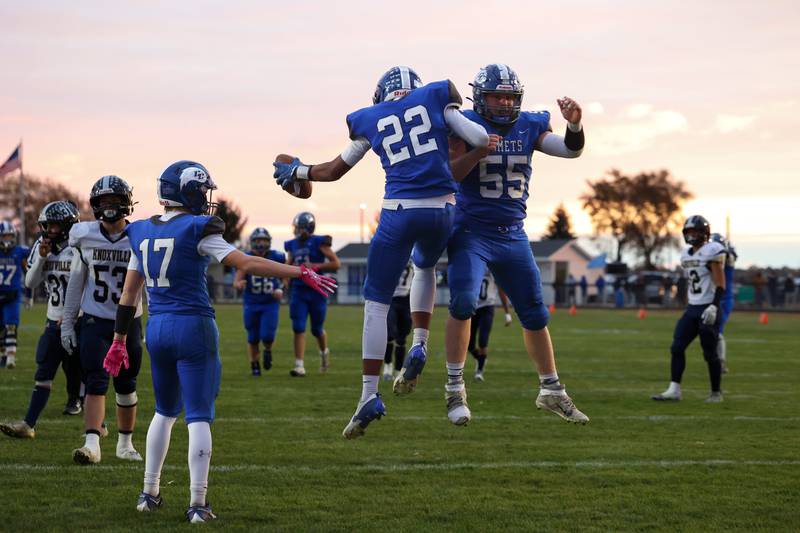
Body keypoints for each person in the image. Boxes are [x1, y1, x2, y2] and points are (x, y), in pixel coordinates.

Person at [108, 160, 335, 522]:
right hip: (193, 326)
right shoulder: (198, 227)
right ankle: (198, 504)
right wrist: (300, 271)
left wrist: (119, 338)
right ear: (190, 191)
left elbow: (128, 294)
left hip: (157, 328)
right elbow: (246, 262)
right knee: (198, 416)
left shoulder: (140, 232)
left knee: (164, 412)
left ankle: (148, 493)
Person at [272, 65, 492, 438]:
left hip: (399, 211)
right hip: (442, 209)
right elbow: (482, 139)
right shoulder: (437, 97)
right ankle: (420, 343)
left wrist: (299, 170)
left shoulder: (369, 117)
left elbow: (333, 171)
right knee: (424, 268)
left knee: (376, 302)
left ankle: (368, 395)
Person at [60, 176, 143, 464]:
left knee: (126, 384)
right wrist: (68, 322)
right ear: (95, 206)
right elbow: (76, 282)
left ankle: (124, 443)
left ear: (127, 204)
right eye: (103, 202)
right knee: (96, 378)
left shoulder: (139, 236)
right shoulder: (84, 235)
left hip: (129, 320)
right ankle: (92, 443)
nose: (109, 207)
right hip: (95, 317)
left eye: (115, 202)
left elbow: (152, 284)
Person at [0, 202, 83, 439]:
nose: (50, 230)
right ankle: (29, 424)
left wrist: (74, 316)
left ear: (67, 225)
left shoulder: (79, 246)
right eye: (47, 225)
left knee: (84, 372)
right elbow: (31, 282)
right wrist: (42, 259)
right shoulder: (40, 245)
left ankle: (98, 425)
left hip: (78, 318)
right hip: (52, 317)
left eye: (55, 225)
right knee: (44, 370)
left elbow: (86, 285)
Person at [653, 216, 726, 403]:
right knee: (677, 347)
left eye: (695, 232)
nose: (692, 235)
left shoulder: (712, 251)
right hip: (692, 308)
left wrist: (714, 306)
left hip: (709, 307)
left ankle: (716, 393)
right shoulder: (686, 254)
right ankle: (674, 390)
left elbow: (720, 283)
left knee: (709, 352)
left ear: (704, 233)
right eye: (689, 232)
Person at [283, 212, 340, 376]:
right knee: (298, 327)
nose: (297, 231)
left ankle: (324, 354)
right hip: (299, 290)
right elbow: (289, 263)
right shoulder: (293, 244)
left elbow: (336, 263)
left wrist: (316, 266)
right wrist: (286, 278)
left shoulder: (319, 242)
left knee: (317, 329)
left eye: (300, 227)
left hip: (317, 291)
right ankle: (299, 365)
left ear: (308, 227)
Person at [234, 228, 285, 376]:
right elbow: (237, 280)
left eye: (264, 240)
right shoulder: (246, 258)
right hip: (252, 302)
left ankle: (268, 350)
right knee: (253, 337)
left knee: (268, 335)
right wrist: (238, 285)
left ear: (269, 242)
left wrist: (281, 288)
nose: (261, 243)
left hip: (270, 303)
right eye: (258, 240)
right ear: (252, 242)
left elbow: (286, 276)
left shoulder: (277, 256)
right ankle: (254, 364)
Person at [467, 267, 512, 382]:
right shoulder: (474, 264)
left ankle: (479, 371)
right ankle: (481, 358)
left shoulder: (493, 267)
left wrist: (507, 313)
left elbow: (501, 289)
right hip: (473, 307)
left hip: (487, 307)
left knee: (483, 340)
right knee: (469, 344)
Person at [0, 220, 29, 369]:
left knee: (11, 326)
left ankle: (11, 357)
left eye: (10, 236)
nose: (8, 240)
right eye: (4, 237)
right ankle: (3, 354)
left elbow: (33, 259)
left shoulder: (19, 251)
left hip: (12, 295)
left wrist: (28, 294)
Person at [383, 261, 413, 381]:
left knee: (402, 337)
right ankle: (387, 365)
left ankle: (398, 370)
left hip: (407, 299)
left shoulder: (415, 253)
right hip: (390, 298)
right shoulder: (391, 251)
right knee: (389, 333)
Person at [711, 233, 737, 373]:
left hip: (724, 300)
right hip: (713, 298)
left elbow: (730, 257)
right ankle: (716, 360)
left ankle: (720, 362)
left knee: (718, 332)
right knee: (711, 332)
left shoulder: (728, 257)